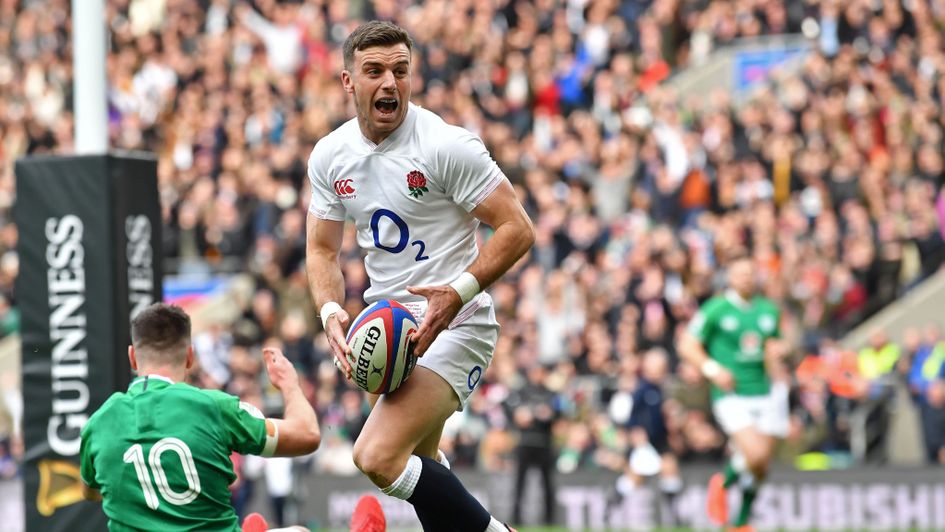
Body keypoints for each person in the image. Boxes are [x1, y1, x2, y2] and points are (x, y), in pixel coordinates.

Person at [305, 20, 535, 532]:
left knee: (377, 457)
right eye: (374, 71)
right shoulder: (329, 155)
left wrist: (458, 292)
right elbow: (321, 250)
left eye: (400, 71)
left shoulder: (445, 146)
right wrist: (330, 312)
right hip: (389, 325)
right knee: (425, 467)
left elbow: (518, 229)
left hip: (457, 321)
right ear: (348, 82)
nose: (390, 82)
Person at [79, 303, 319, 532]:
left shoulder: (99, 422)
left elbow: (91, 491)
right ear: (190, 357)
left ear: (132, 357)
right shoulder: (213, 407)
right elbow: (307, 435)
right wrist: (289, 385)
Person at [678, 256, 790, 532]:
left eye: (750, 273)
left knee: (762, 464)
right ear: (729, 278)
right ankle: (723, 484)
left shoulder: (767, 310)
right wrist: (712, 369)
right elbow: (686, 345)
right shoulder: (716, 309)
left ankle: (740, 524)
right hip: (732, 393)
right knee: (753, 454)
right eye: (740, 274)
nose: (746, 279)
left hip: (765, 392)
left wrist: (779, 353)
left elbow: (773, 347)